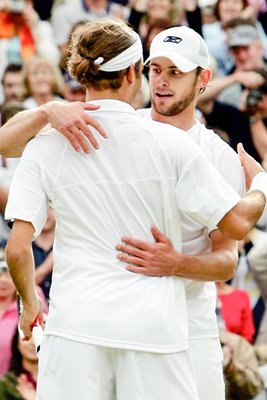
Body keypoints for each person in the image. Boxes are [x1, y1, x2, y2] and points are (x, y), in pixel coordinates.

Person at [3, 19, 267, 400]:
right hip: (144, 324)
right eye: (155, 69)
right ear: (134, 74)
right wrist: (49, 111)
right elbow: (6, 143)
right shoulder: (138, 134)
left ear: (203, 79)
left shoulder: (216, 155)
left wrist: (174, 263)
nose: (162, 81)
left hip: (180, 321)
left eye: (175, 72)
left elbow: (227, 258)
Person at [0, 327, 38, 399]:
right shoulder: (6, 383)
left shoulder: (58, 380)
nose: (33, 343)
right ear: (17, 344)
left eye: (38, 338)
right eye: (27, 337)